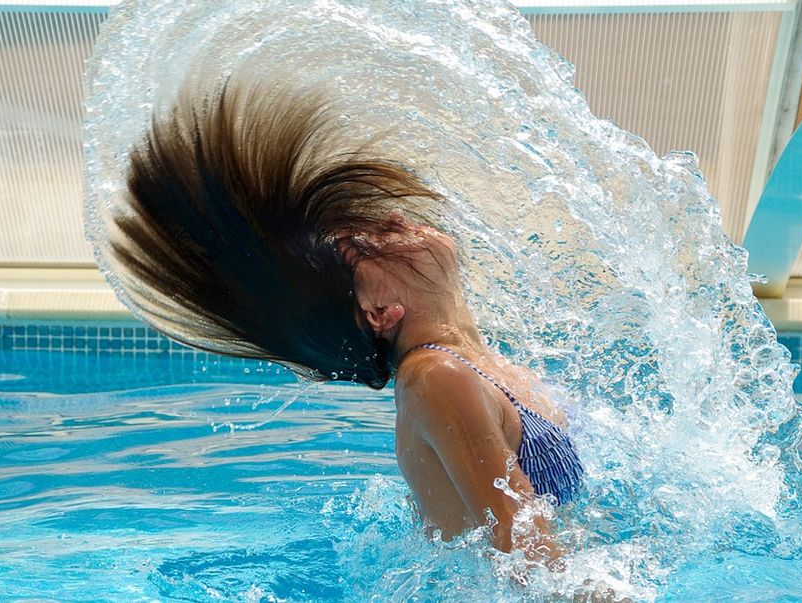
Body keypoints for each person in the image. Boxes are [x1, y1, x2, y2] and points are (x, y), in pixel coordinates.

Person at [104, 79, 584, 561]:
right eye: (366, 243)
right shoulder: (436, 379)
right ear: (379, 311)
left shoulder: (475, 367)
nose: (395, 220)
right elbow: (531, 555)